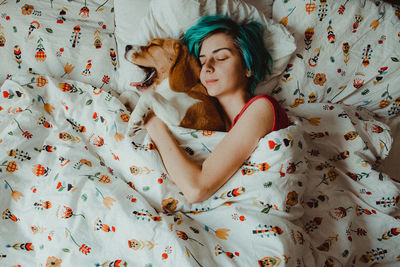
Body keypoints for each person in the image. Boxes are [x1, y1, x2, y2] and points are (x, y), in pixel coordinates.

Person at [143, 15, 291, 204]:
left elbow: (196, 190)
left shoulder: (262, 107)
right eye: (203, 62)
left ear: (247, 67)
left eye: (221, 58)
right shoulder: (207, 125)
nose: (208, 67)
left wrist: (153, 123)